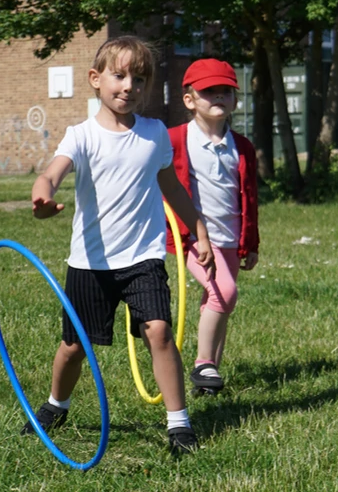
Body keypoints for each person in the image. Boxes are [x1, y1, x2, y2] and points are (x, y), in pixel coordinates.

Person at [28, 36, 215, 456]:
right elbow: (52, 174)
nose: (129, 86)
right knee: (74, 346)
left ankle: (179, 424)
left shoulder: (154, 134)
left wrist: (198, 230)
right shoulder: (81, 135)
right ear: (96, 79)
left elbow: (173, 187)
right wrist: (42, 197)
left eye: (139, 78)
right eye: (119, 75)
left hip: (142, 257)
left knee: (159, 332)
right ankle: (56, 405)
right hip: (90, 262)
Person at [167, 58, 259, 396]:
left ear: (235, 99)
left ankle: (209, 379)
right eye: (209, 91)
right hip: (193, 238)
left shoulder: (242, 146)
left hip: (230, 240)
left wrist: (251, 244)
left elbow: (249, 198)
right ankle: (203, 363)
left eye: (226, 91)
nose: (219, 97)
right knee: (226, 293)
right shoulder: (176, 139)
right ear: (189, 100)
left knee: (218, 301)